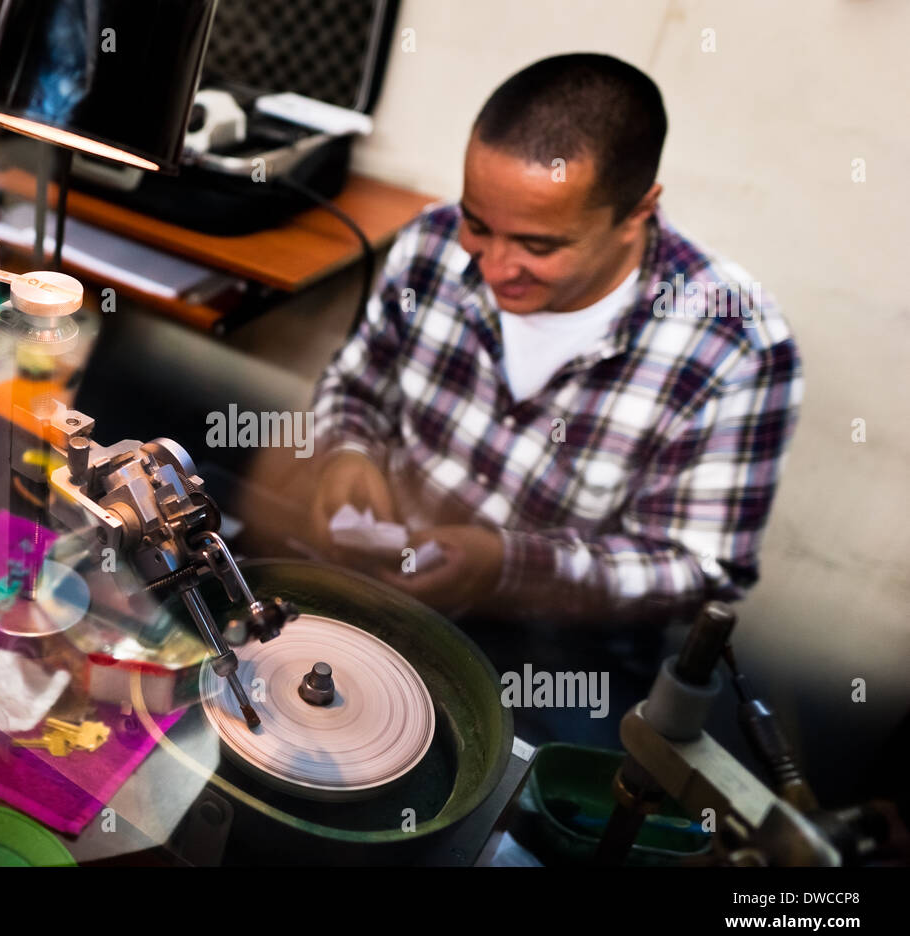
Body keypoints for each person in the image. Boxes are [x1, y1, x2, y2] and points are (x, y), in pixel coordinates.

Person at [310, 53, 803, 633]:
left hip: (554, 647)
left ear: (637, 212)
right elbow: (354, 384)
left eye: (538, 247)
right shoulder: (431, 243)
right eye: (479, 224)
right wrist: (346, 450)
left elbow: (700, 568)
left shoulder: (737, 350)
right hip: (377, 584)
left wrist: (511, 566)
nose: (493, 269)